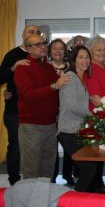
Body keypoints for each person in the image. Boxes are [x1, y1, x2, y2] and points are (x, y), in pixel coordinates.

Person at [14, 35, 71, 180]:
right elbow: (29, 95)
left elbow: (57, 92)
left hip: (51, 125)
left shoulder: (47, 67)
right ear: (28, 48)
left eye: (43, 43)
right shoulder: (22, 68)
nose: (42, 47)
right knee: (31, 171)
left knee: (48, 170)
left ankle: (46, 200)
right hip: (31, 127)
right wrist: (54, 86)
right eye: (37, 44)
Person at [0, 25, 40, 185]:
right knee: (16, 149)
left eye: (37, 33)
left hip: (35, 113)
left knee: (34, 150)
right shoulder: (13, 54)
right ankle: (14, 183)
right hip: (15, 113)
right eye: (31, 32)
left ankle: (33, 183)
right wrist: (13, 68)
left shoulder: (41, 55)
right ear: (23, 35)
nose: (34, 35)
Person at [57, 45, 98, 192]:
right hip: (68, 131)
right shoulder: (70, 77)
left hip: (80, 130)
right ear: (74, 60)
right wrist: (93, 116)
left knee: (95, 159)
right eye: (81, 57)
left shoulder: (81, 79)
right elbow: (71, 106)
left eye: (87, 57)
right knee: (88, 167)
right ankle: (76, 199)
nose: (85, 60)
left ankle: (91, 195)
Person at [84, 36, 105, 195]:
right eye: (99, 49)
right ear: (90, 51)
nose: (103, 52)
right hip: (95, 118)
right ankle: (93, 189)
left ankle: (98, 184)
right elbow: (96, 99)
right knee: (94, 156)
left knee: (100, 155)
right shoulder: (91, 69)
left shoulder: (102, 68)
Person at [48, 38, 75, 185]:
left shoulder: (71, 67)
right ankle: (52, 176)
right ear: (50, 51)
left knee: (69, 146)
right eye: (54, 48)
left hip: (68, 113)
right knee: (52, 147)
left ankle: (67, 175)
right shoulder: (45, 67)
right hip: (52, 112)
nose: (58, 51)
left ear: (65, 51)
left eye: (61, 48)